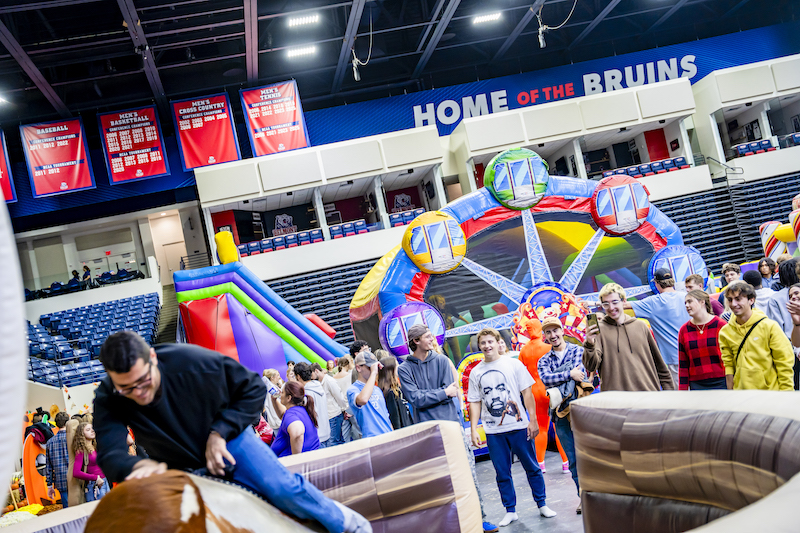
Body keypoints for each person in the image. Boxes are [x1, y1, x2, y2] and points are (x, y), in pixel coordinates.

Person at [93, 331, 370, 533]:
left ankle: (348, 524)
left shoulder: (186, 361)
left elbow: (250, 387)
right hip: (181, 467)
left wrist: (219, 433)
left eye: (143, 380)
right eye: (127, 389)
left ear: (152, 358)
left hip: (231, 440)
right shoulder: (109, 397)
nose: (139, 393)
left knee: (279, 487)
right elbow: (110, 453)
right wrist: (138, 465)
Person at [398, 325, 499, 533]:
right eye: (427, 337)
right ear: (415, 341)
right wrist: (443, 393)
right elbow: (416, 399)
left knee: (469, 476)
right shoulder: (404, 369)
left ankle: (479, 519)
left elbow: (450, 391)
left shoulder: (443, 360)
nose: (432, 339)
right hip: (427, 434)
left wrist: (440, 393)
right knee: (438, 481)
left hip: (453, 429)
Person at [468, 328, 557, 528]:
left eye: (490, 341)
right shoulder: (476, 371)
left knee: (532, 467)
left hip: (518, 427)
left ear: (498, 342)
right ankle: (510, 510)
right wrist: (474, 428)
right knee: (502, 473)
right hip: (493, 432)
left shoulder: (513, 364)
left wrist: (532, 420)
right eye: (483, 343)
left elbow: (527, 392)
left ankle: (542, 504)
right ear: (479, 345)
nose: (487, 346)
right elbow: (474, 401)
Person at [537, 317, 587, 513]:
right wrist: (568, 374)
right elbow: (546, 380)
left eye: (555, 330)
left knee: (591, 454)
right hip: (559, 415)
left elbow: (580, 373)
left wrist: (561, 376)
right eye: (548, 332)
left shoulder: (578, 351)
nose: (553, 335)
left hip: (581, 410)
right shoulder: (543, 360)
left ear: (562, 330)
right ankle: (582, 496)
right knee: (573, 458)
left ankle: (600, 495)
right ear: (545, 336)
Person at [584, 283, 674, 391]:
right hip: (617, 402)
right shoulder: (599, 331)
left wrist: (669, 392)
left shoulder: (640, 326)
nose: (611, 308)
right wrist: (589, 343)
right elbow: (591, 366)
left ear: (624, 301)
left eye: (614, 302)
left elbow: (660, 365)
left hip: (648, 396)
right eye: (606, 304)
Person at [517, 319, 570, 475]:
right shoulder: (549, 347)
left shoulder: (524, 351)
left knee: (541, 428)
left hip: (533, 392)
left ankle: (540, 463)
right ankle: (566, 463)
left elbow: (521, 374)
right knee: (558, 425)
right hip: (551, 390)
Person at [719, 281, 794, 391]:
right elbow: (728, 365)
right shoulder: (725, 332)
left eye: (738, 299)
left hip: (770, 394)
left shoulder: (769, 326)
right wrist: (732, 393)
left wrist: (786, 392)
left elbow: (784, 363)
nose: (733, 304)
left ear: (751, 300)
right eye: (730, 300)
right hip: (741, 395)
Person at [623, 268, 689, 387]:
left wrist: (593, 304)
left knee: (682, 396)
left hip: (674, 358)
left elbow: (622, 305)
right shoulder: (687, 297)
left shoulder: (653, 302)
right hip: (693, 352)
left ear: (657, 284)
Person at [677, 290, 728, 390]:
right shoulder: (684, 330)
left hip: (721, 380)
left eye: (690, 301)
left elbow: (731, 355)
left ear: (702, 302)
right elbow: (683, 363)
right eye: (685, 303)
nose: (687, 305)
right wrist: (682, 390)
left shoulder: (720, 325)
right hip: (696, 383)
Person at [347, 350, 392, 438]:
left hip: (388, 435)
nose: (373, 370)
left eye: (374, 367)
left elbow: (386, 417)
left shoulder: (377, 389)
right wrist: (373, 373)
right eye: (369, 367)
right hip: (372, 439)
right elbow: (363, 399)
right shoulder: (353, 389)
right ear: (358, 368)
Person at [269, 381, 320, 457]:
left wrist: (295, 459)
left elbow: (297, 433)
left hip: (293, 464)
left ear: (289, 398)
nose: (280, 394)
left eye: (282, 392)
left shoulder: (291, 415)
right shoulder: (300, 409)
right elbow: (283, 415)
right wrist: (274, 400)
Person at [294, 363, 331, 448]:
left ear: (298, 376)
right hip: (326, 432)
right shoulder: (319, 386)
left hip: (317, 436)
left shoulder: (306, 394)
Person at [312, 362, 348, 447]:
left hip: (334, 415)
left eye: (311, 374)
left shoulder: (329, 381)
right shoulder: (320, 382)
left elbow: (339, 396)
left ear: (316, 371)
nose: (311, 377)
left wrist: (344, 409)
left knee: (333, 443)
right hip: (329, 416)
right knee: (335, 441)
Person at [72, 422, 109, 502]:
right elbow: (76, 472)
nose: (92, 431)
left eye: (92, 428)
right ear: (81, 434)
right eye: (88, 430)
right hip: (95, 485)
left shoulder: (95, 446)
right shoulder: (81, 450)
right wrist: (95, 478)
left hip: (105, 481)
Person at [377, 355, 413, 430]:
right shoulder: (389, 392)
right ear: (391, 370)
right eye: (397, 365)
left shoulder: (397, 388)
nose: (399, 367)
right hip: (403, 429)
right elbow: (395, 417)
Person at [45, 412, 71, 507]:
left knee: (68, 512)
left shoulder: (50, 442)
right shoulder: (73, 438)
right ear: (68, 422)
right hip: (76, 478)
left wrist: (49, 485)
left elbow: (48, 466)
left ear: (56, 424)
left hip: (60, 481)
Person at [335, 355, 359, 442]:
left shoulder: (333, 378)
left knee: (345, 434)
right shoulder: (350, 375)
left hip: (341, 408)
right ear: (347, 365)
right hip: (351, 405)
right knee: (358, 430)